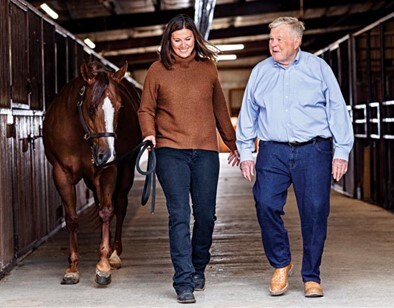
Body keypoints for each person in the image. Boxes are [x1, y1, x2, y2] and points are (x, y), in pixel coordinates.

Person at [236, 17, 354, 298]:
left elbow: (337, 109)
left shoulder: (318, 68)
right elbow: (248, 113)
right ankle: (281, 262)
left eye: (279, 39)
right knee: (264, 203)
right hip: (272, 150)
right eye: (271, 39)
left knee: (314, 211)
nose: (273, 44)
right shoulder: (260, 71)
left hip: (314, 149)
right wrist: (245, 153)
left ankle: (311, 276)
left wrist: (341, 150)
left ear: (296, 41)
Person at [138, 14, 239, 304]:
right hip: (170, 150)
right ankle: (183, 280)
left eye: (188, 39)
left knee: (206, 215)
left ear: (195, 39)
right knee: (180, 215)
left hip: (206, 151)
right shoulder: (157, 70)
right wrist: (149, 134)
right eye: (177, 40)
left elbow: (220, 107)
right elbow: (146, 109)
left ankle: (198, 266)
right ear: (169, 41)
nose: (183, 45)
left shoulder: (208, 69)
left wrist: (231, 144)